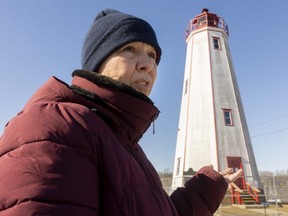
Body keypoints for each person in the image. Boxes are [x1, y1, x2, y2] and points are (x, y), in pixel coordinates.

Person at [0, 9, 242, 216]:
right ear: (98, 62)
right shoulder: (54, 128)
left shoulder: (123, 141)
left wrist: (208, 186)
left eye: (152, 55)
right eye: (129, 48)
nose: (147, 64)